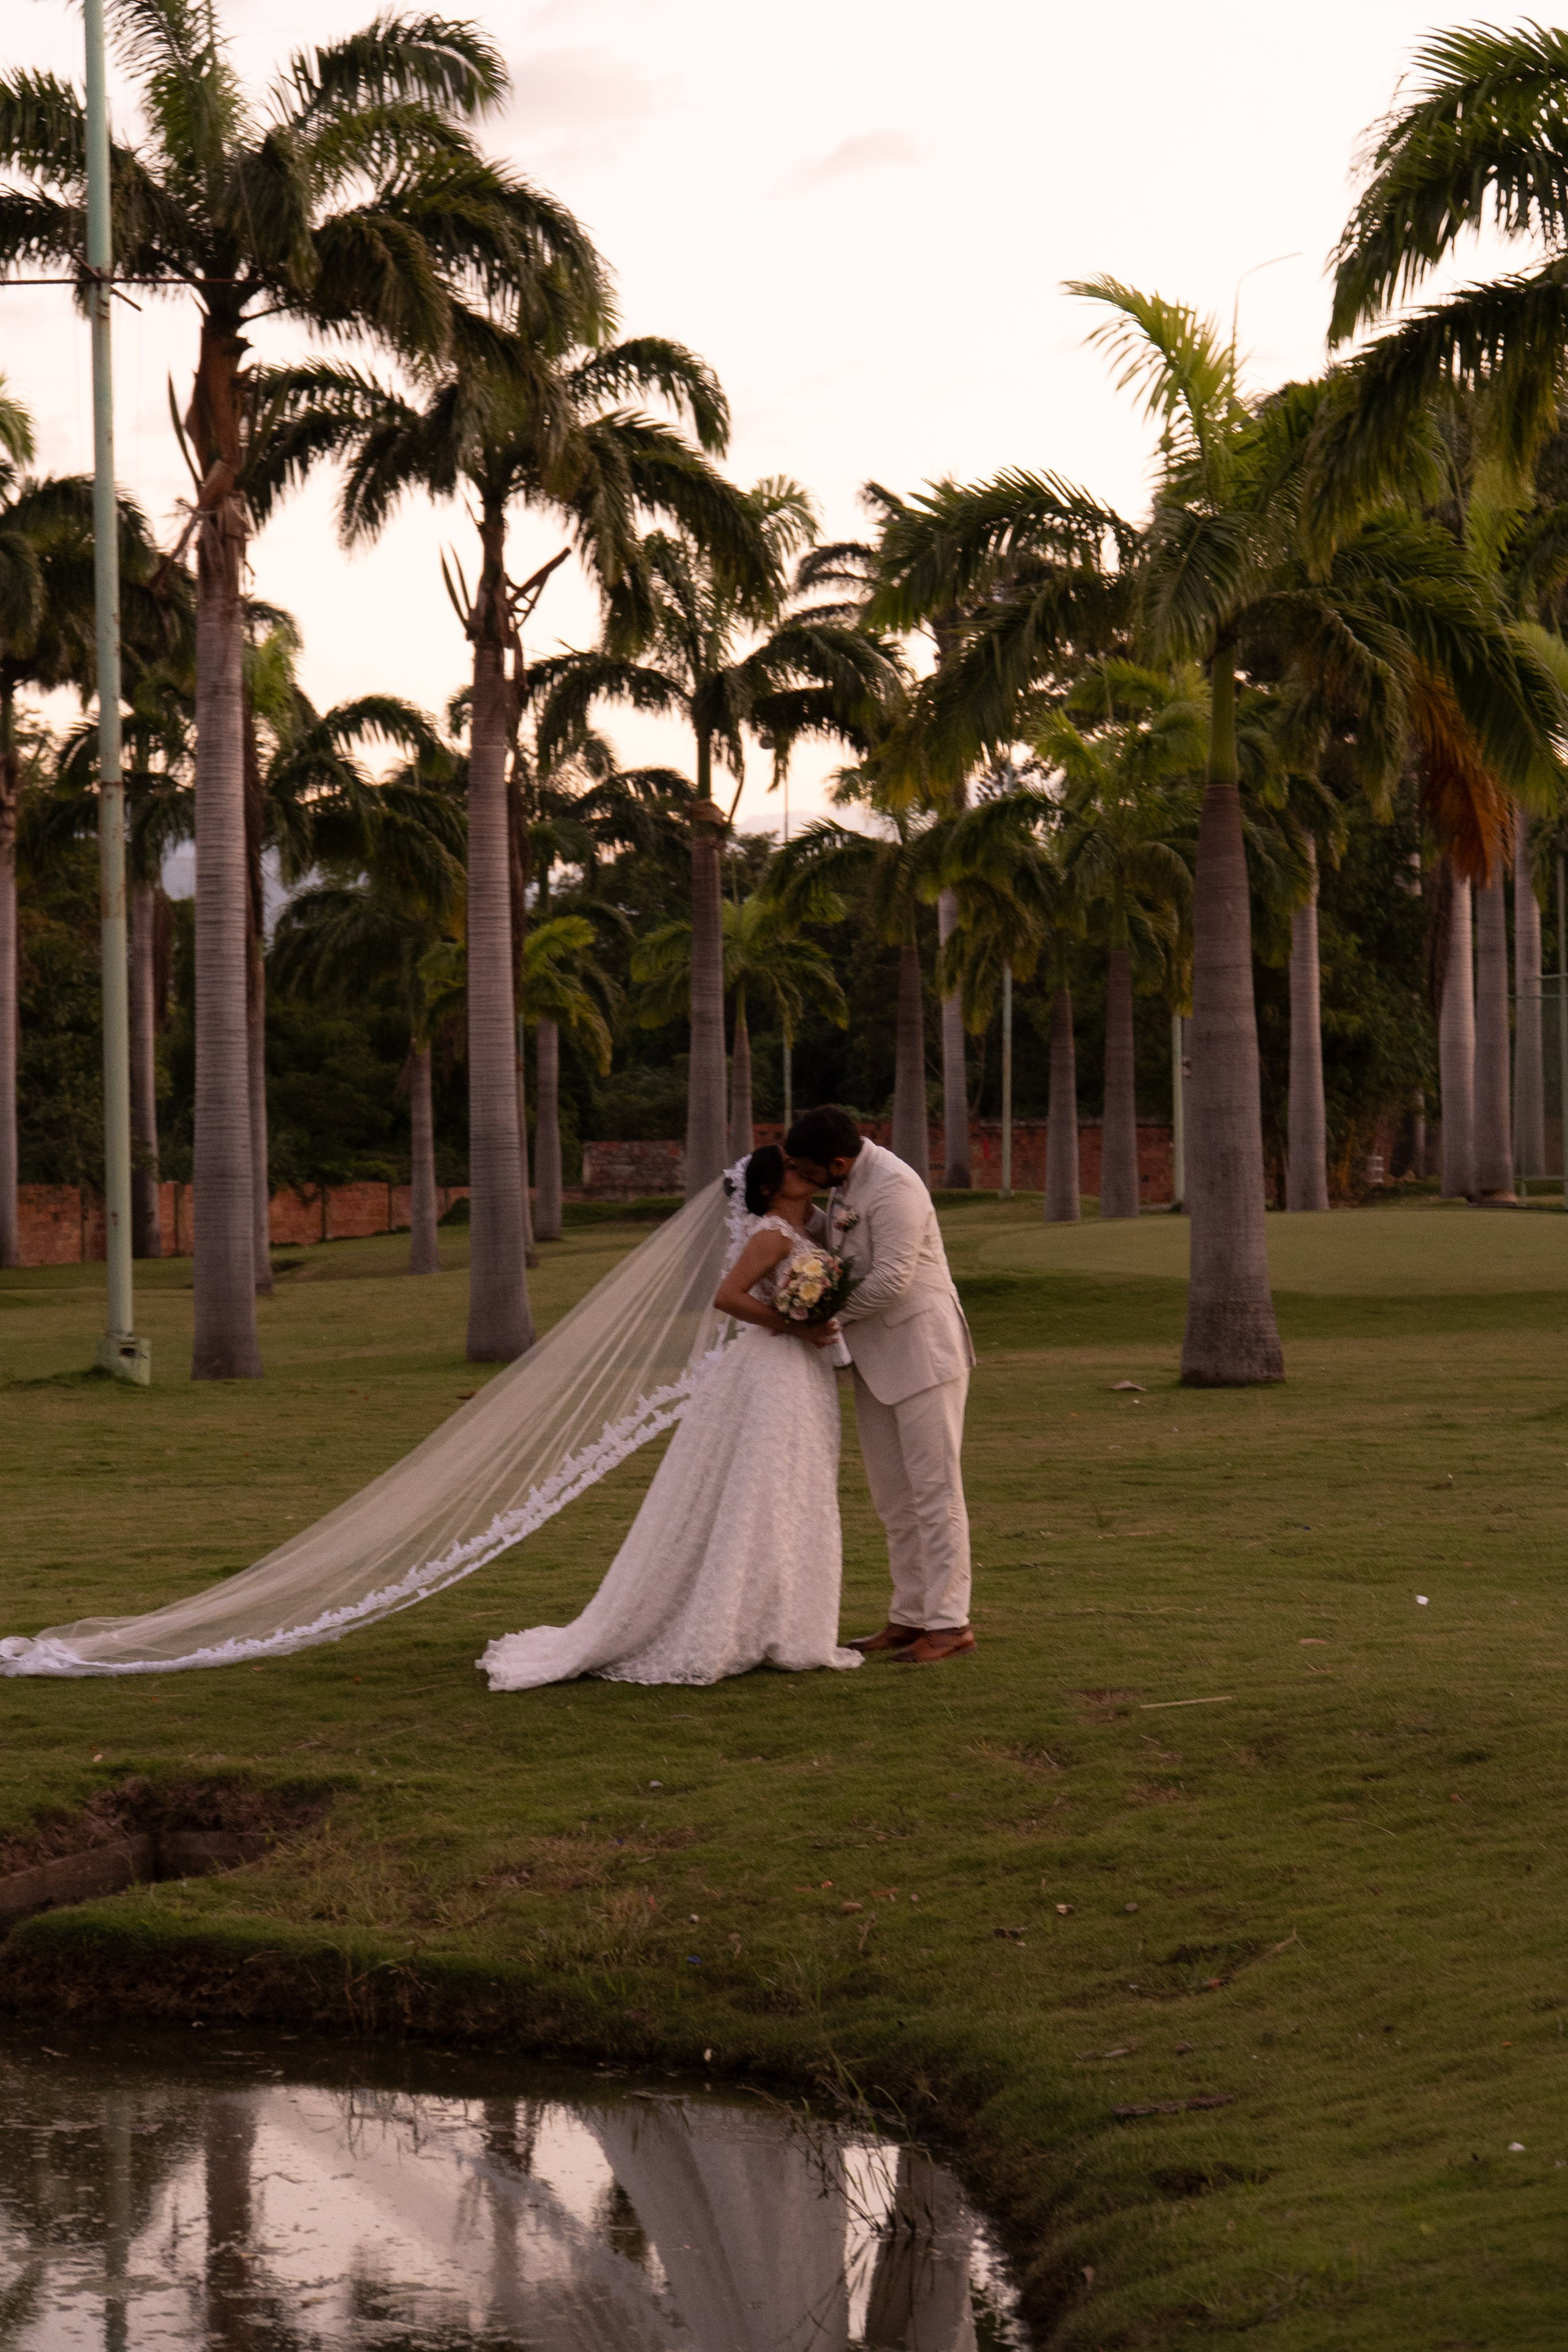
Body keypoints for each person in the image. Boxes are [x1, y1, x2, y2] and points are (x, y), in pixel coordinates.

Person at [479, 1145, 862, 1690]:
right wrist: (799, 1326)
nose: (804, 1172)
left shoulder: (814, 1227)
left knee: (792, 1486)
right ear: (771, 1190)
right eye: (792, 1171)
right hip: (774, 1368)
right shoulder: (774, 1234)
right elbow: (726, 1296)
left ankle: (780, 1619)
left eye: (803, 1166)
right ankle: (738, 1622)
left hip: (800, 1369)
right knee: (765, 1488)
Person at [784, 1105, 976, 1664]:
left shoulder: (895, 1186)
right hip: (876, 1361)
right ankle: (909, 1615)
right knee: (894, 1498)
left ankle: (950, 1623)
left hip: (923, 1355)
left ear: (838, 1161)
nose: (807, 1178)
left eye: (809, 1169)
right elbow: (840, 1245)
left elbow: (892, 1279)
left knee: (935, 1493)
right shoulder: (847, 1184)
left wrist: (826, 1318)